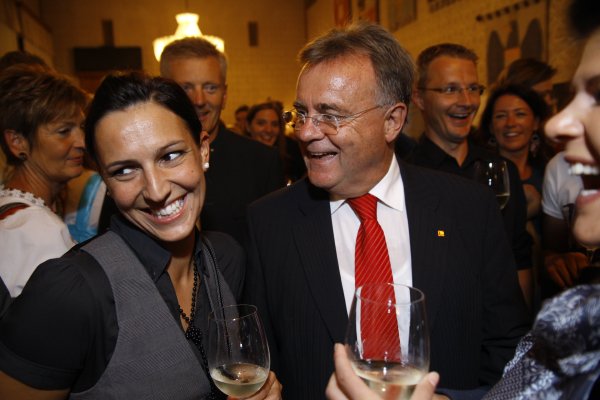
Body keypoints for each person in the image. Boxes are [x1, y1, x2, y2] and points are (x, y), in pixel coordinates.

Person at [243, 22, 530, 400]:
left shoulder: (469, 208)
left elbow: (509, 348)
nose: (306, 132)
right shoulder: (269, 223)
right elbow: (263, 365)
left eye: (330, 115)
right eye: (301, 113)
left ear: (392, 121)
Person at [0, 71, 282, 399]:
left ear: (203, 150)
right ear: (105, 181)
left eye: (170, 155)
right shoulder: (70, 292)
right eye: (124, 170)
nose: (156, 190)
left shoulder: (226, 258)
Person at [406, 43, 534, 307]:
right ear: (419, 98)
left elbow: (519, 257)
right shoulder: (405, 175)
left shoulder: (501, 171)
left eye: (473, 88)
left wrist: (522, 329)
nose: (466, 102)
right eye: (450, 89)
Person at [160, 37, 285, 244]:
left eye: (210, 88)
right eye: (186, 88)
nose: (199, 100)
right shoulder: (144, 165)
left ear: (224, 95)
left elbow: (276, 243)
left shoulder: (262, 161)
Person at [0, 65, 86, 298]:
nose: (82, 142)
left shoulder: (13, 212)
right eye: (64, 131)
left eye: (81, 128)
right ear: (17, 141)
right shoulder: (37, 230)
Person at [246, 101, 306, 183]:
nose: (269, 130)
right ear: (248, 126)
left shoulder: (293, 154)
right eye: (261, 123)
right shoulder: (237, 160)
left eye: (274, 124)